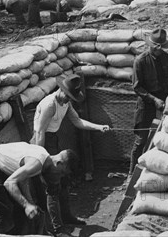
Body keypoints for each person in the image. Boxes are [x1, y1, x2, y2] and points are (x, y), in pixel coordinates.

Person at [31, 74, 110, 233]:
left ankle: (66, 216)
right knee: (53, 186)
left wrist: (98, 127)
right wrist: (40, 159)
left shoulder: (65, 104)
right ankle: (57, 228)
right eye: (67, 96)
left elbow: (77, 121)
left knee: (64, 181)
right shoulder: (50, 105)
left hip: (53, 140)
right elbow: (39, 133)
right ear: (60, 89)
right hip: (42, 143)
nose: (67, 100)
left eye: (70, 98)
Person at [0, 141, 78, 235]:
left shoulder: (44, 158)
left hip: (0, 167)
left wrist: (29, 202)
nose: (59, 177)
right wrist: (26, 205)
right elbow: (9, 183)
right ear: (58, 163)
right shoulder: (37, 163)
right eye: (61, 173)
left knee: (18, 207)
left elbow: (22, 179)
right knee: (4, 208)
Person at [130, 28, 168, 175]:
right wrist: (153, 99)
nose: (158, 50)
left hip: (166, 102)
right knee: (141, 140)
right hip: (146, 102)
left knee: (167, 138)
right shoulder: (140, 61)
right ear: (150, 45)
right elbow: (137, 87)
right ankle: (132, 174)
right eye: (155, 47)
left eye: (161, 48)